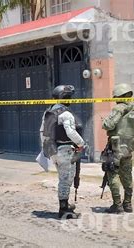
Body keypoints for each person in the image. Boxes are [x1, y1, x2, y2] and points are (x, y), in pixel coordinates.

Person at [40, 85, 85, 219]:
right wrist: (81, 143)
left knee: (63, 178)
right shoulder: (66, 114)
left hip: (53, 150)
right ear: (64, 97)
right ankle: (64, 209)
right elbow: (70, 132)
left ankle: (65, 203)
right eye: (69, 97)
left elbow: (42, 131)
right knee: (65, 180)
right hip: (64, 150)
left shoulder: (48, 112)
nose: (70, 99)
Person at [102, 84, 134, 213]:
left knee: (112, 173)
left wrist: (105, 121)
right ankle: (128, 204)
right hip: (129, 147)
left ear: (118, 96)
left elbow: (108, 125)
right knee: (127, 175)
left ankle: (117, 205)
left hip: (116, 146)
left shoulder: (119, 108)